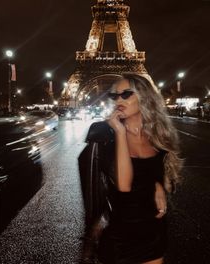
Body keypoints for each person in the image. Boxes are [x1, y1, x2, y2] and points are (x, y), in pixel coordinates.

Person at [78, 73, 183, 264]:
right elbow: (124, 185)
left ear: (144, 96)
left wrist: (158, 184)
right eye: (114, 96)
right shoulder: (105, 134)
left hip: (153, 231)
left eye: (126, 94)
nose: (119, 99)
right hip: (119, 234)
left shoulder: (158, 134)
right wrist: (119, 131)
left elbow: (157, 169)